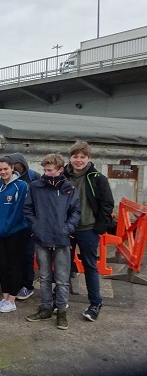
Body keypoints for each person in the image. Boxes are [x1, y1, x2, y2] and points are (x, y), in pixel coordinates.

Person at [24, 154, 81, 330]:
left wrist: (67, 228)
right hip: (42, 237)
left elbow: (76, 211)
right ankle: (46, 307)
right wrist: (36, 226)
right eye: (45, 170)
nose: (46, 173)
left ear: (60, 170)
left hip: (62, 239)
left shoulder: (69, 188)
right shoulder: (36, 187)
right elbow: (27, 208)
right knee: (45, 276)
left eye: (50, 170)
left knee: (62, 279)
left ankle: (62, 312)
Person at [64, 140, 114, 322]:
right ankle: (60, 299)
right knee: (63, 265)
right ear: (70, 158)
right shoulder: (64, 176)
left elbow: (107, 204)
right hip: (67, 228)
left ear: (88, 158)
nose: (78, 160)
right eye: (75, 156)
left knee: (90, 266)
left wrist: (99, 228)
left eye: (82, 157)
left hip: (88, 229)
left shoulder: (97, 178)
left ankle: (95, 302)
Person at [0, 156, 29, 313]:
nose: (3, 172)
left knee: (14, 265)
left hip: (15, 232)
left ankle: (12, 299)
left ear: (12, 168)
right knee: (3, 266)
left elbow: (18, 211)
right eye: (0, 170)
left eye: (5, 169)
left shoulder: (21, 186)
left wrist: (7, 227)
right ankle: (5, 296)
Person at [8, 152, 42, 301]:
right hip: (14, 223)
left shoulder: (34, 176)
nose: (16, 169)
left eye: (18, 166)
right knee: (15, 254)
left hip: (29, 223)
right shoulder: (8, 179)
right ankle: (17, 282)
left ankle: (28, 285)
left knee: (28, 255)